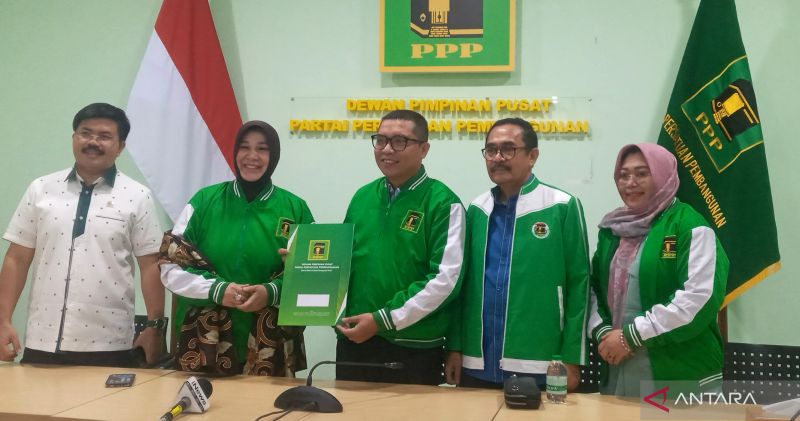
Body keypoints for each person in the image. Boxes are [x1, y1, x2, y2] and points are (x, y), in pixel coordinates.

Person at [0, 103, 165, 366]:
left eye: (104, 136)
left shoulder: (137, 196)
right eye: (85, 133)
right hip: (43, 340)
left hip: (110, 343)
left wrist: (155, 327)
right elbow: (16, 259)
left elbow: (151, 265)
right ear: (74, 138)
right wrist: (3, 321)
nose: (93, 142)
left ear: (120, 146)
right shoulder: (41, 189)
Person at [445, 118, 590, 390]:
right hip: (477, 362)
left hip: (541, 361)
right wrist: (455, 346)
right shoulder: (477, 209)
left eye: (508, 149)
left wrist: (573, 357)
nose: (498, 157)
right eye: (491, 150)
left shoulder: (562, 206)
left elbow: (579, 285)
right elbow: (461, 286)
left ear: (532, 156)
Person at [160, 120, 313, 375]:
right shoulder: (204, 201)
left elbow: (313, 275)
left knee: (265, 401)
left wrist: (272, 292)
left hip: (269, 344)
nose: (252, 156)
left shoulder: (295, 208)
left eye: (262, 149)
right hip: (204, 342)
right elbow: (170, 265)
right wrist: (217, 290)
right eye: (244, 147)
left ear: (274, 156)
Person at [588, 143, 729, 397]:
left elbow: (699, 299)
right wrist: (603, 332)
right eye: (623, 175)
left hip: (681, 379)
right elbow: (593, 287)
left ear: (664, 175)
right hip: (620, 371)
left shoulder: (690, 226)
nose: (631, 183)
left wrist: (630, 337)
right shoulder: (612, 230)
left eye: (642, 173)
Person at [336, 110, 466, 385]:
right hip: (355, 339)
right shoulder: (362, 197)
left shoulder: (443, 202)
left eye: (399, 141)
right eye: (380, 140)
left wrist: (383, 319)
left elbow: (445, 280)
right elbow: (343, 261)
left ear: (424, 149)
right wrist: (305, 266)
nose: (386, 149)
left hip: (412, 345)